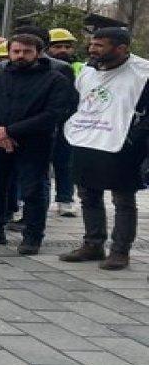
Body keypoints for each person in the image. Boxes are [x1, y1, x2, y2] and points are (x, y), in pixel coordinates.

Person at [0, 34, 77, 255]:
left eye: (27, 52)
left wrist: (10, 131)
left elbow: (55, 113)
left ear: (38, 53)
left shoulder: (55, 79)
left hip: (35, 143)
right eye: (16, 51)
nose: (20, 56)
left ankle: (32, 237)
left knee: (33, 190)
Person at [59, 28, 149, 271]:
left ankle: (120, 251)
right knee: (88, 194)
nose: (92, 49)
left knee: (123, 200)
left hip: (122, 144)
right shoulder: (89, 70)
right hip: (87, 138)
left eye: (99, 45)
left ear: (122, 48)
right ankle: (93, 244)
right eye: (92, 44)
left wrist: (133, 138)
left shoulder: (143, 72)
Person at [47, 27, 83, 218]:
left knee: (65, 161)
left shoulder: (82, 67)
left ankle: (65, 199)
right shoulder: (44, 66)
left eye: (67, 46)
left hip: (69, 120)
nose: (63, 50)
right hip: (45, 119)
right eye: (57, 46)